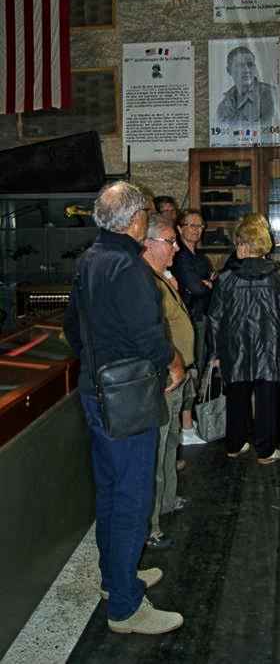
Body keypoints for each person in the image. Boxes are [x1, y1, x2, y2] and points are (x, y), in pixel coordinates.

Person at [63, 181, 184, 635]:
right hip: (128, 396)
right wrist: (171, 363)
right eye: (145, 213)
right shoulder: (129, 266)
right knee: (132, 495)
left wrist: (99, 366)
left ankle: (116, 578)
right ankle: (126, 608)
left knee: (111, 491)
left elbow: (72, 327)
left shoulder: (88, 260)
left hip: (96, 390)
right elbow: (148, 335)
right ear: (134, 221)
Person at [208, 217, 280, 465]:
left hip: (234, 349)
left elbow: (214, 318)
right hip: (270, 349)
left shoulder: (226, 278)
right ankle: (266, 450)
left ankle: (235, 444)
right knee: (268, 401)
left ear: (242, 244)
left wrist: (215, 353)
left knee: (236, 397)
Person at [142, 214, 196, 548]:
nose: (176, 248)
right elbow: (153, 336)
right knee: (156, 451)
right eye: (170, 241)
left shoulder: (161, 278)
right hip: (164, 379)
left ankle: (167, 501)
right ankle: (151, 525)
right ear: (147, 243)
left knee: (171, 443)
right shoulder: (144, 283)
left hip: (178, 376)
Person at [172, 208, 215, 446]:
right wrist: (205, 284)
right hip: (188, 320)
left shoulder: (199, 257)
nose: (197, 230)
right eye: (192, 225)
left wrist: (206, 284)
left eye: (200, 226)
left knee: (198, 366)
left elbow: (207, 284)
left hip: (201, 317)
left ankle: (187, 422)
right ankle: (185, 427)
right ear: (180, 228)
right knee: (190, 369)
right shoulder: (180, 257)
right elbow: (198, 288)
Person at [216, 46, 278, 127]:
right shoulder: (224, 105)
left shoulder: (271, 94)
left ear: (255, 68)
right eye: (240, 66)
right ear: (229, 70)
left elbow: (272, 126)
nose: (246, 70)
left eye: (250, 65)